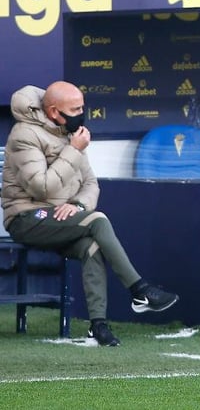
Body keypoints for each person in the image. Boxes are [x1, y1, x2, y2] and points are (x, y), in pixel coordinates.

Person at [1, 82, 179, 346]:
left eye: (82, 107)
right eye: (74, 109)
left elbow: (90, 184)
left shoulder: (71, 132)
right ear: (53, 112)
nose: (81, 114)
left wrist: (79, 207)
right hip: (27, 218)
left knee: (92, 246)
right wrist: (73, 149)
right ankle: (140, 290)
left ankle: (98, 326)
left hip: (64, 218)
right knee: (98, 220)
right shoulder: (25, 135)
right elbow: (41, 187)